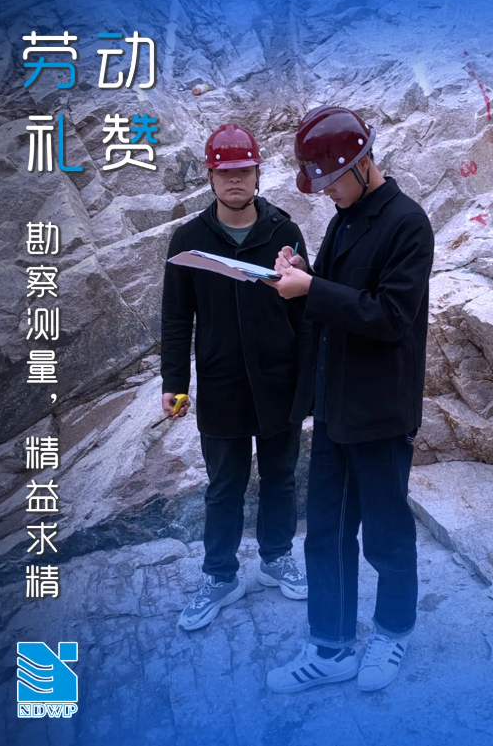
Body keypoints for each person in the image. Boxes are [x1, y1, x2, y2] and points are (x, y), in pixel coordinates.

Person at [264, 106, 434, 692]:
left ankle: (392, 630)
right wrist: (300, 274)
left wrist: (312, 287)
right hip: (334, 405)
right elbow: (337, 297)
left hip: (381, 411)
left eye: (332, 179)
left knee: (386, 534)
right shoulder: (344, 219)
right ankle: (331, 647)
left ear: (362, 164)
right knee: (326, 533)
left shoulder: (408, 223)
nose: (326, 192)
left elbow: (389, 316)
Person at [161, 123, 310, 631]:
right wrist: (174, 383)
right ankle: (221, 576)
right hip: (221, 384)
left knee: (281, 477)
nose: (234, 180)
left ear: (257, 172)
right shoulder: (189, 240)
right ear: (210, 175)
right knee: (224, 486)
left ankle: (276, 559)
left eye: (243, 170)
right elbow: (176, 318)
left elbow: (304, 310)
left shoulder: (284, 231)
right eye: (224, 171)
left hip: (279, 381)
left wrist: (308, 378)